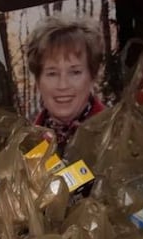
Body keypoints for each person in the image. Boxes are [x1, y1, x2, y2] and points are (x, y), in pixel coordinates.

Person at [26, 15, 106, 150]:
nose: (63, 85)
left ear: (92, 77)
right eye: (52, 73)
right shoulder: (26, 143)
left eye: (75, 72)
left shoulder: (117, 135)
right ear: (38, 82)